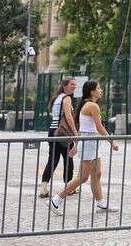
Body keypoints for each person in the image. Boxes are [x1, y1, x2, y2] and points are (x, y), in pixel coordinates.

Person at [50, 79, 118, 214]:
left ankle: (100, 202)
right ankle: (56, 199)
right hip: (89, 143)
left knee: (97, 174)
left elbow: (83, 128)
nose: (101, 91)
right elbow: (99, 127)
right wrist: (112, 142)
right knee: (82, 178)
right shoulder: (92, 106)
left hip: (90, 142)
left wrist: (76, 145)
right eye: (99, 88)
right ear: (92, 91)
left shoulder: (87, 105)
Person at [38, 77, 77, 198]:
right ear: (65, 86)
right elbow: (69, 117)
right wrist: (75, 133)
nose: (74, 86)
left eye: (75, 84)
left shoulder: (57, 98)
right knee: (68, 158)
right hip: (62, 132)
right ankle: (68, 188)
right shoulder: (66, 98)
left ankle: (43, 188)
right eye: (72, 84)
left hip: (53, 131)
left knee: (53, 159)